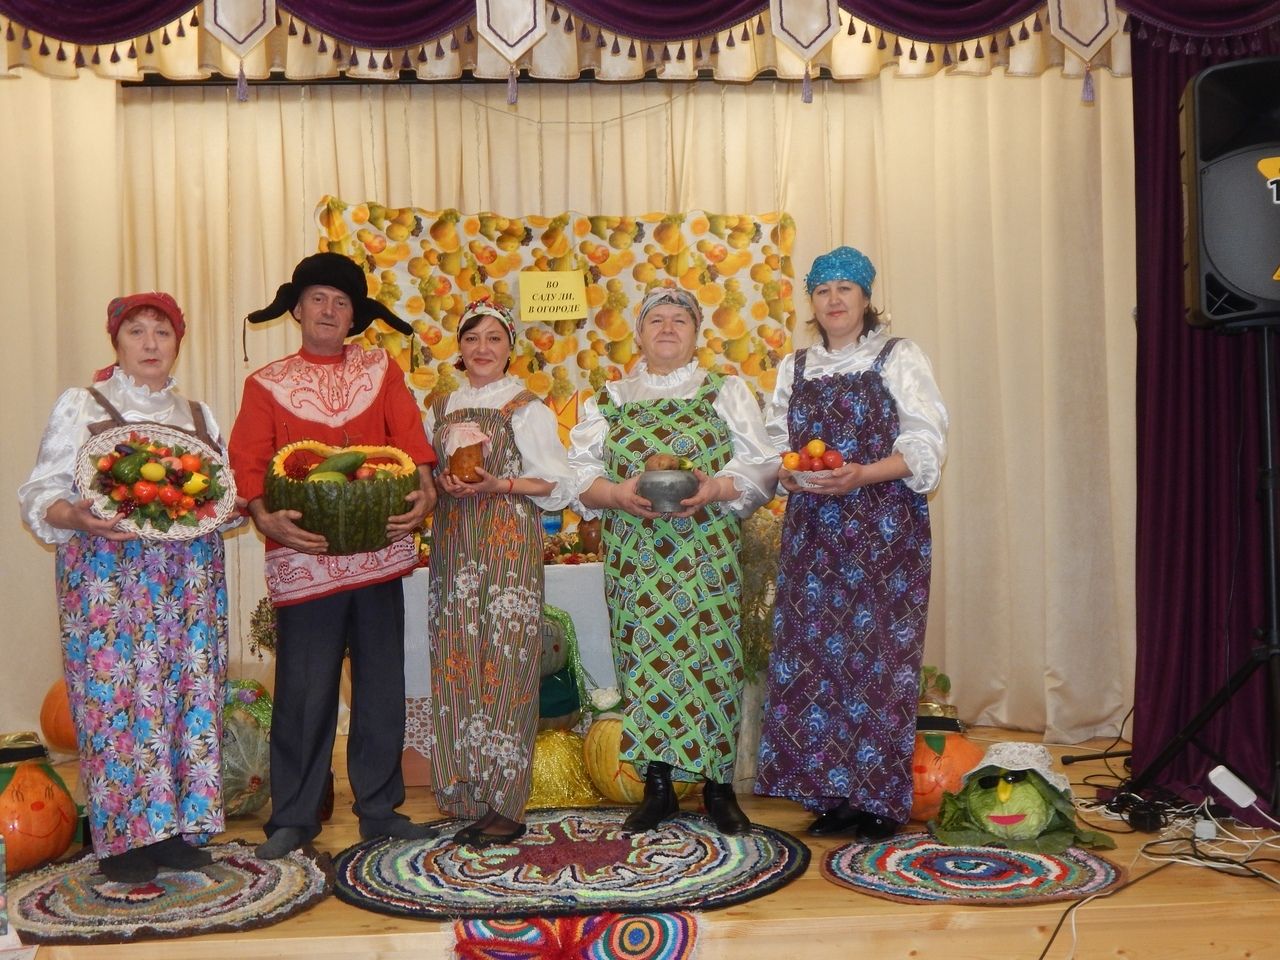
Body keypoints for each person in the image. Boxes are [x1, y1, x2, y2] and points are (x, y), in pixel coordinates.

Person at [228, 252, 438, 859]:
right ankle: (293, 816)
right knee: (303, 688)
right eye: (318, 298)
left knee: (380, 685)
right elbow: (249, 459)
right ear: (297, 308)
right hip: (305, 557)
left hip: (380, 551)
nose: (329, 310)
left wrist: (423, 489)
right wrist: (264, 514)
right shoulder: (265, 384)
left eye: (341, 302)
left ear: (354, 318)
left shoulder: (382, 369)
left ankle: (379, 807)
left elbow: (410, 437)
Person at [19, 292, 230, 883]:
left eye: (161, 333)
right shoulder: (81, 405)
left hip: (187, 585)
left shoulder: (198, 415)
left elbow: (217, 495)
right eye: (136, 332)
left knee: (187, 694)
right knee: (116, 701)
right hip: (107, 582)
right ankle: (124, 838)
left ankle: (177, 829)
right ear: (116, 342)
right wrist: (77, 517)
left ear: (177, 342)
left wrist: (226, 511)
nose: (149, 344)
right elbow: (41, 493)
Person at [754, 245, 948, 840]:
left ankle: (877, 802)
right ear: (811, 302)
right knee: (816, 661)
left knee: (879, 663)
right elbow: (771, 443)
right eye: (822, 290)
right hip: (814, 530)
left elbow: (926, 440)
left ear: (866, 298)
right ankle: (830, 793)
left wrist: (860, 473)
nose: (834, 299)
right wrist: (788, 472)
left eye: (845, 288)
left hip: (885, 529)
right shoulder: (796, 366)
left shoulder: (899, 356)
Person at [569, 287, 779, 835]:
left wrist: (714, 488)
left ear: (695, 332)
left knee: (713, 661)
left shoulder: (724, 391)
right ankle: (658, 786)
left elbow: (761, 466)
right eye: (655, 320)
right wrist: (615, 495)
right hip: (635, 560)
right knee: (645, 663)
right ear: (638, 334)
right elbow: (578, 476)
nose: (667, 328)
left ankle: (718, 789)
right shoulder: (608, 399)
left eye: (679, 319)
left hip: (705, 556)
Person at [427, 298, 575, 847]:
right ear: (459, 348)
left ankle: (508, 803)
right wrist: (443, 484)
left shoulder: (526, 407)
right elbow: (432, 471)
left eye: (494, 338)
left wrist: (499, 485)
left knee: (507, 666)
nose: (483, 349)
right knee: (458, 663)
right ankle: (468, 793)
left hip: (507, 545)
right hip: (454, 546)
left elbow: (556, 484)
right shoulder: (441, 405)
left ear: (510, 347)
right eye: (472, 339)